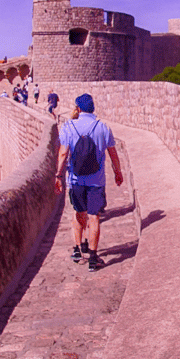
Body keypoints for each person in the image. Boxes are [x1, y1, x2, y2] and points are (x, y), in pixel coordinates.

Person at [54, 93, 124, 271]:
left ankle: (78, 250)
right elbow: (113, 153)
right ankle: (93, 258)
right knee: (94, 217)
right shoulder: (103, 127)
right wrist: (118, 172)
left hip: (76, 180)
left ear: (78, 109)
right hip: (96, 181)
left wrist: (58, 175)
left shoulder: (68, 126)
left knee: (78, 213)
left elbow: (63, 153)